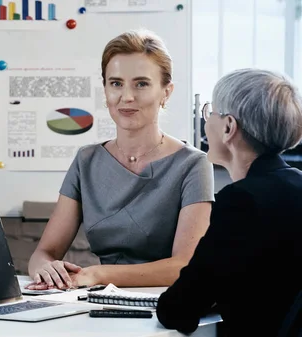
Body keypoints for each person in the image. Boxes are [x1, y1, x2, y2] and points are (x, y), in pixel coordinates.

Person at [27, 29, 214, 290]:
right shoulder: (87, 160)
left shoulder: (193, 164)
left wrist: (98, 275)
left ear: (166, 92)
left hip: (165, 307)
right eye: (116, 83)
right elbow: (43, 253)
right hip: (97, 303)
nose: (126, 96)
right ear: (104, 89)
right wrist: (46, 267)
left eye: (141, 84)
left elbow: (184, 265)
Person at [156, 69, 302, 336]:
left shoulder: (241, 202)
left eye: (209, 112)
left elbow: (177, 309)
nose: (205, 122)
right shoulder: (297, 185)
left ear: (228, 127)